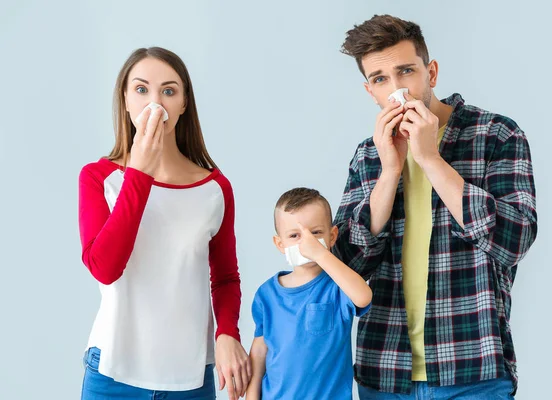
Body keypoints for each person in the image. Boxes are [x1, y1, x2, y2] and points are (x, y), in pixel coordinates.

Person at [332, 15, 538, 399]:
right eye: (380, 79)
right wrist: (390, 170)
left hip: (472, 370)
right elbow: (346, 264)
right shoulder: (368, 155)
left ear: (432, 72)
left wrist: (430, 158)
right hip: (385, 372)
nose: (397, 91)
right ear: (370, 92)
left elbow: (515, 241)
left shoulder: (496, 135)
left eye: (406, 71)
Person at [78, 47, 251, 400]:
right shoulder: (99, 178)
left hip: (191, 378)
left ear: (184, 103)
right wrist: (139, 173)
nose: (155, 102)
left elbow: (225, 278)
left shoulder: (215, 189)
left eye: (169, 91)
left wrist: (227, 334)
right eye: (141, 90)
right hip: (112, 374)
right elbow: (105, 268)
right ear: (125, 100)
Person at [246, 188, 373, 399]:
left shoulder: (338, 285)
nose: (307, 243)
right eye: (295, 235)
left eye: (315, 233)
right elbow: (260, 349)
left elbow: (363, 296)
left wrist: (321, 254)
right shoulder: (266, 294)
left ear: (332, 236)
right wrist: (251, 395)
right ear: (280, 244)